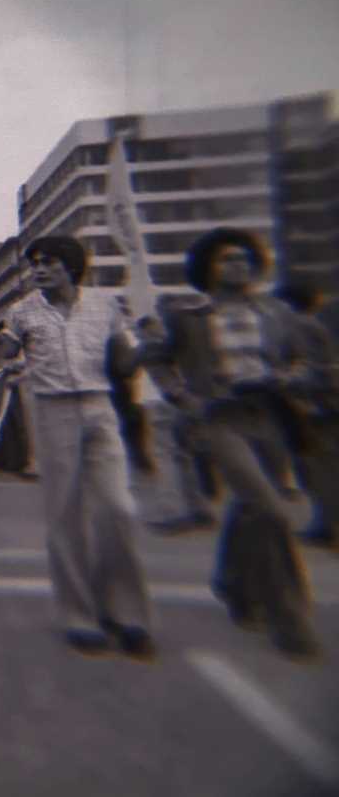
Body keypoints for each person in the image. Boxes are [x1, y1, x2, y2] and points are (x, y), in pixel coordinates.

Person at [138, 228, 322, 658]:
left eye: (243, 258)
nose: (237, 265)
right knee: (273, 512)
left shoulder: (276, 313)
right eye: (226, 259)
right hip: (222, 420)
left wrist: (288, 378)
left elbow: (310, 364)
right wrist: (183, 398)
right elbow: (156, 356)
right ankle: (290, 620)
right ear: (208, 268)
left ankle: (230, 583)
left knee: (250, 508)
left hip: (271, 416)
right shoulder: (189, 313)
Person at [0, 236, 154, 657]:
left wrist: (148, 345)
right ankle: (80, 616)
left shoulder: (106, 305)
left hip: (100, 408)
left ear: (71, 266)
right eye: (35, 264)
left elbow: (122, 364)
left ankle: (127, 612)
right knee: (65, 514)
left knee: (118, 509)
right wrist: (7, 350)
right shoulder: (23, 310)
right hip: (50, 410)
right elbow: (3, 353)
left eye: (49, 263)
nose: (39, 270)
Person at [273, 281, 339, 547]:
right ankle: (324, 523)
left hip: (313, 406)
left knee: (317, 467)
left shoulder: (297, 326)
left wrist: (301, 399)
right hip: (322, 403)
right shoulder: (313, 324)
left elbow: (308, 368)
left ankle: (326, 526)